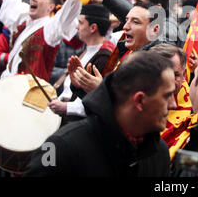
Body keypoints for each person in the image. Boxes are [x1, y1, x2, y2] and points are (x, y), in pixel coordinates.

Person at [25, 52, 177, 176]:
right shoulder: (60, 147)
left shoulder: (158, 153)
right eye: (167, 95)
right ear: (139, 100)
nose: (173, 104)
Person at [0, 0, 82, 81]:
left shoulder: (49, 28)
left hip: (30, 93)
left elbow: (69, 10)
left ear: (50, 7)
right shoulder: (25, 18)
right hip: (8, 86)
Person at [48, 4, 114, 122]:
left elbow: (96, 101)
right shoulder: (88, 50)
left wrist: (65, 107)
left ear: (93, 28)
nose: (77, 27)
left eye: (81, 23)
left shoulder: (104, 57)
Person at [148, 43, 192, 128]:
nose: (169, 82)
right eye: (161, 75)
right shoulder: (134, 108)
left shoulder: (196, 112)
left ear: (184, 75)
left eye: (175, 75)